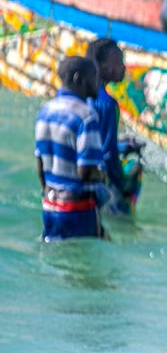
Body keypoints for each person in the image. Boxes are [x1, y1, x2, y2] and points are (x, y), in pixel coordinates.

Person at [35, 56, 106, 240]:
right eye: (94, 76)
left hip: (50, 206)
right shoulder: (86, 115)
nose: (98, 82)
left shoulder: (45, 111)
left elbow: (41, 166)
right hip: (78, 208)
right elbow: (85, 172)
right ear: (78, 79)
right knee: (86, 266)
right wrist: (102, 177)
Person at [85, 38, 142, 215]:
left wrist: (122, 145)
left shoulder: (81, 95)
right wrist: (123, 184)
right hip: (98, 181)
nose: (124, 68)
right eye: (118, 62)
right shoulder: (108, 103)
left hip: (77, 175)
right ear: (102, 67)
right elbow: (108, 155)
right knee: (135, 163)